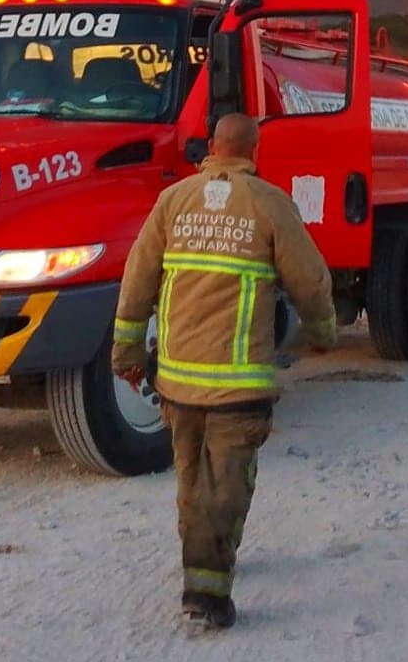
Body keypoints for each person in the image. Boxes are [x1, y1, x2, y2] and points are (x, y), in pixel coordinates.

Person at [112, 111, 337, 631]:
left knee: (191, 476)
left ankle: (200, 559)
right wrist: (323, 333)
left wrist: (126, 355)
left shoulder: (173, 201)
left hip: (178, 381)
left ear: (212, 145)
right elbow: (310, 280)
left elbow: (138, 279)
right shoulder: (270, 204)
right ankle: (207, 592)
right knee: (228, 483)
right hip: (238, 383)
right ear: (254, 152)